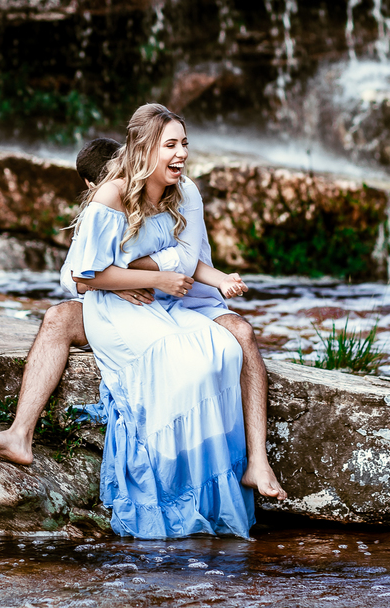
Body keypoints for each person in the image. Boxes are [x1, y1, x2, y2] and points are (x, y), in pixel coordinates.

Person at [0, 134, 287, 503]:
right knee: (58, 318)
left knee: (242, 333)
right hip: (125, 307)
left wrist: (123, 275)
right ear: (92, 186)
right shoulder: (103, 204)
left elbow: (180, 262)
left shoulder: (170, 193)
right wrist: (115, 284)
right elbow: (73, 274)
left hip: (185, 302)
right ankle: (20, 433)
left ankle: (258, 461)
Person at [63, 103, 260, 537]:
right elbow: (83, 275)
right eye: (170, 144)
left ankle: (208, 497)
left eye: (184, 144)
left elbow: (187, 262)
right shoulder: (111, 195)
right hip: (113, 309)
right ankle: (169, 494)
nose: (181, 153)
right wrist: (153, 278)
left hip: (157, 302)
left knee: (224, 351)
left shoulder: (182, 192)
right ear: (144, 148)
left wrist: (178, 279)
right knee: (185, 366)